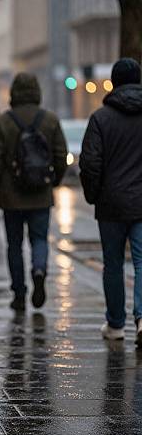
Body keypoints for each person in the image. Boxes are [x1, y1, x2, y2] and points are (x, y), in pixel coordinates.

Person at [0, 73, 67, 311]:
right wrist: (54, 181)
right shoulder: (49, 120)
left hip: (12, 196)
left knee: (14, 244)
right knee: (40, 239)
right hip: (41, 193)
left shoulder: (3, 121)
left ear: (14, 93)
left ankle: (19, 293)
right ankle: (39, 270)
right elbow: (60, 155)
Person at [80, 58, 142, 344]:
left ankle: (116, 324)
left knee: (113, 264)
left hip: (112, 204)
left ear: (114, 83)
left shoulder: (100, 118)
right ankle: (141, 319)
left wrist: (95, 195)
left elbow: (90, 163)